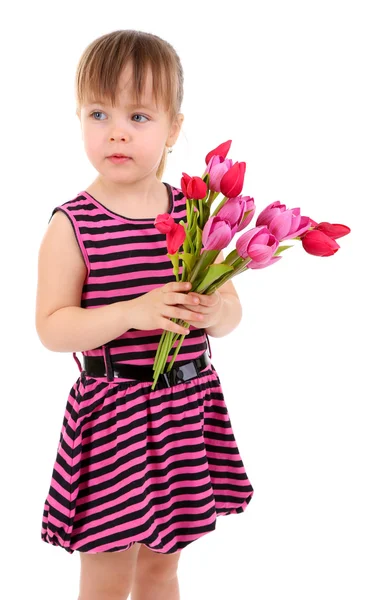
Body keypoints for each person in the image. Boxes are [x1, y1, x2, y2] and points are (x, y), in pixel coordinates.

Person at [36, 29, 254, 600]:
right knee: (107, 573)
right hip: (113, 418)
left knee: (162, 569)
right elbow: (53, 327)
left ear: (173, 128)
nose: (117, 132)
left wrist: (212, 311)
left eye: (139, 116)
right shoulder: (73, 224)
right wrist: (134, 311)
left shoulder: (199, 210)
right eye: (99, 113)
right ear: (79, 117)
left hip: (183, 409)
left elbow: (232, 313)